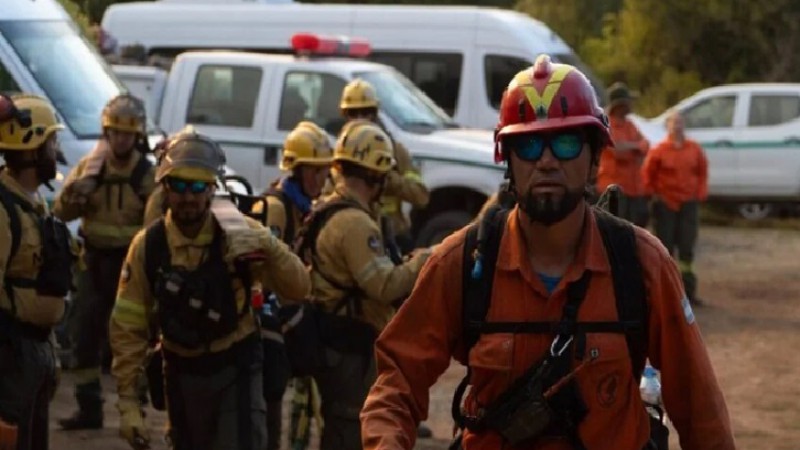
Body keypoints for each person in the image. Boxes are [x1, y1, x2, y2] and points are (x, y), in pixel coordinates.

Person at [360, 55, 735, 450]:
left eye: (567, 142)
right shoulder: (464, 263)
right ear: (508, 161)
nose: (547, 160)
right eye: (529, 144)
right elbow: (396, 382)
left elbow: (699, 408)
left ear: (594, 161)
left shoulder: (640, 264)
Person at [108, 128, 311, 450]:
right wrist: (129, 405)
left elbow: (299, 288)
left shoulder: (240, 235)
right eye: (179, 185)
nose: (189, 196)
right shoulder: (149, 247)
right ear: (165, 187)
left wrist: (269, 246)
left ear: (212, 188)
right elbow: (127, 328)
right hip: (180, 373)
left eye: (199, 186)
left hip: (236, 369)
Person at [300, 120, 431, 450]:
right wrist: (427, 258)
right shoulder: (355, 223)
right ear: (377, 176)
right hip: (348, 348)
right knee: (350, 429)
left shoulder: (330, 209)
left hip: (334, 341)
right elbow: (384, 286)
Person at [54, 93, 155, 430]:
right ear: (106, 132)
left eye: (127, 134)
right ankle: (88, 407)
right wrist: (76, 193)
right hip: (93, 263)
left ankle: (134, 409)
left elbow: (155, 225)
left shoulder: (146, 173)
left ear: (138, 135)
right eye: (115, 132)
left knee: (130, 338)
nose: (121, 139)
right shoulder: (90, 168)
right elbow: (61, 212)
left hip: (129, 267)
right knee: (85, 335)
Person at [250, 121, 333, 450]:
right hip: (270, 317)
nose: (322, 180)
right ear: (297, 171)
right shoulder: (276, 208)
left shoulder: (304, 207)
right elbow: (262, 268)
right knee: (270, 394)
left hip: (292, 312)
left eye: (325, 172)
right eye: (316, 172)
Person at [0, 94, 75, 450]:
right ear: (31, 148)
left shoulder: (34, 202)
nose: (55, 150)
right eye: (51, 141)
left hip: (34, 352)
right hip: (9, 356)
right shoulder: (2, 210)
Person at [339, 79, 429, 253]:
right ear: (345, 116)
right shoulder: (339, 154)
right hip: (354, 236)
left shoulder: (395, 150)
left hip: (393, 235)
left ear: (374, 114)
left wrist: (388, 179)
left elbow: (421, 197)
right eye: (353, 113)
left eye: (365, 112)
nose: (360, 119)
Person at [642, 111, 709, 307]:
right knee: (665, 249)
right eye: (673, 123)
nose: (677, 126)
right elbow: (647, 176)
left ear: (684, 126)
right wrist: (654, 196)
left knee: (687, 250)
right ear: (668, 127)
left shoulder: (694, 149)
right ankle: (666, 295)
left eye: (680, 123)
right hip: (665, 205)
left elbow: (702, 171)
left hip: (689, 203)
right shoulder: (659, 150)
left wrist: (700, 193)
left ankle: (689, 292)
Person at [595, 82, 650, 227]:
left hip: (633, 189)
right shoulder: (605, 124)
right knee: (613, 230)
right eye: (629, 101)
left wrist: (635, 147)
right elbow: (617, 149)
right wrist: (636, 147)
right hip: (613, 190)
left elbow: (646, 145)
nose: (632, 105)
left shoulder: (629, 124)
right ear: (620, 104)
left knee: (633, 230)